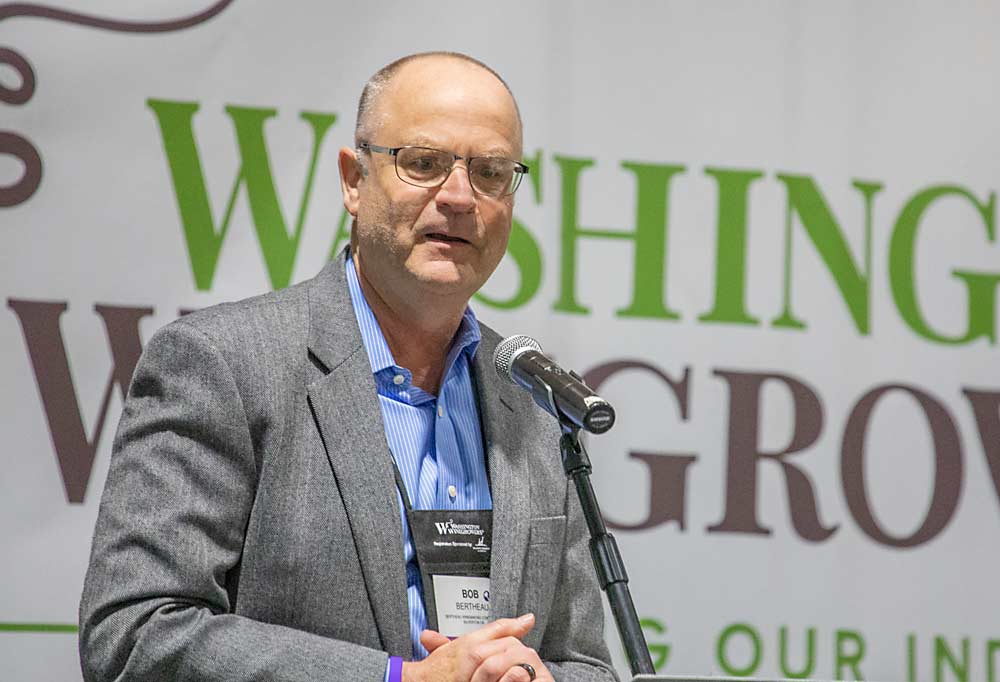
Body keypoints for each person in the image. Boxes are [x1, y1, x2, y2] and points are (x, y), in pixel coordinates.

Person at [79, 51, 617, 682]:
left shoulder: (531, 399)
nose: (460, 197)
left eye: (491, 171)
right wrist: (399, 679)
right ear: (352, 181)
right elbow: (135, 635)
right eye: (423, 163)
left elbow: (586, 664)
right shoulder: (223, 362)